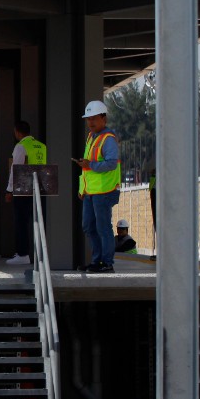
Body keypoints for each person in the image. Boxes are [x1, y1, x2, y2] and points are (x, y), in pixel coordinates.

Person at [74, 100, 121, 273]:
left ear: (104, 118)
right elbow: (88, 168)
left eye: (94, 118)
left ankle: (106, 263)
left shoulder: (108, 139)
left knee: (103, 227)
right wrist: (83, 189)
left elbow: (111, 164)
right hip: (91, 192)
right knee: (89, 226)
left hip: (104, 191)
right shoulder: (92, 137)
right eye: (88, 119)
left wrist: (89, 164)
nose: (90, 122)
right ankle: (97, 261)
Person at [4, 121, 47, 266]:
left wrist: (9, 190)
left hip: (23, 190)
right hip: (40, 189)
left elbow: (15, 169)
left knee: (21, 222)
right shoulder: (41, 146)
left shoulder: (21, 146)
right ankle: (40, 253)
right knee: (38, 221)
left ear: (17, 132)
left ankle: (22, 254)